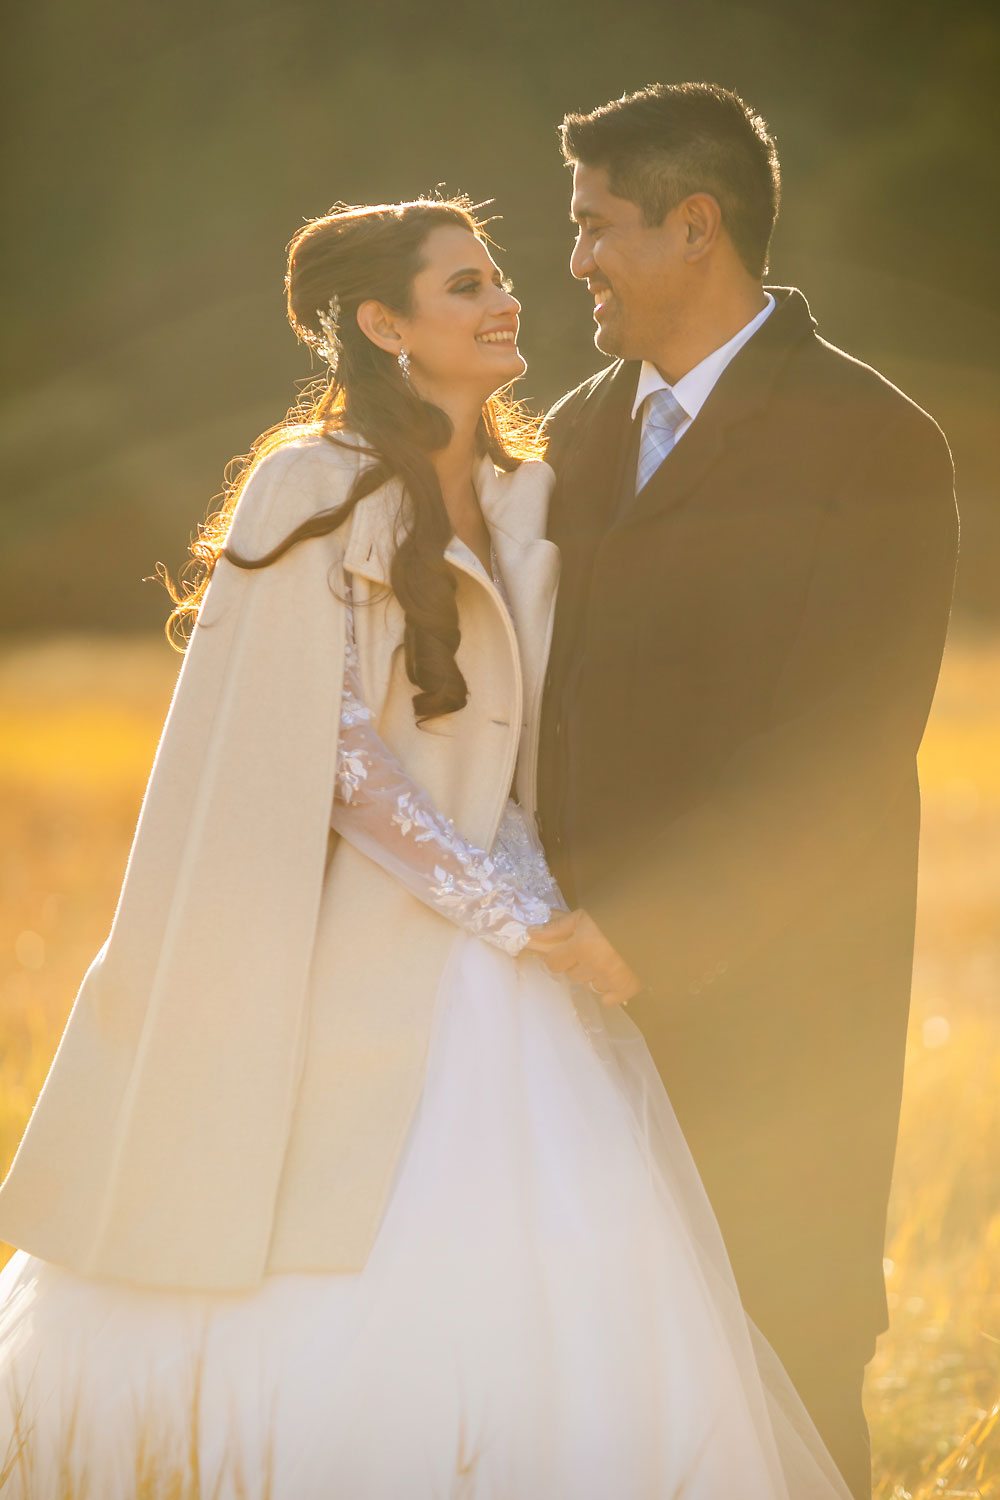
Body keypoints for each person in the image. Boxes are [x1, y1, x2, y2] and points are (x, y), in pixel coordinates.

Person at [0, 196, 851, 1500]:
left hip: (518, 937)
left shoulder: (533, 486)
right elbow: (334, 751)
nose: (507, 297)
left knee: (569, 1257)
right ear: (385, 324)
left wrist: (568, 899)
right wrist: (507, 908)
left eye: (499, 275)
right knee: (326, 1238)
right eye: (465, 285)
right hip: (356, 945)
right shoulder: (311, 478)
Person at [535, 83, 960, 1500]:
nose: (575, 258)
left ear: (695, 227)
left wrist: (657, 930)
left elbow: (839, 750)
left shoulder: (875, 443)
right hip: (573, 1019)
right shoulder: (572, 433)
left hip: (781, 1012)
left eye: (597, 227)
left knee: (782, 1349)